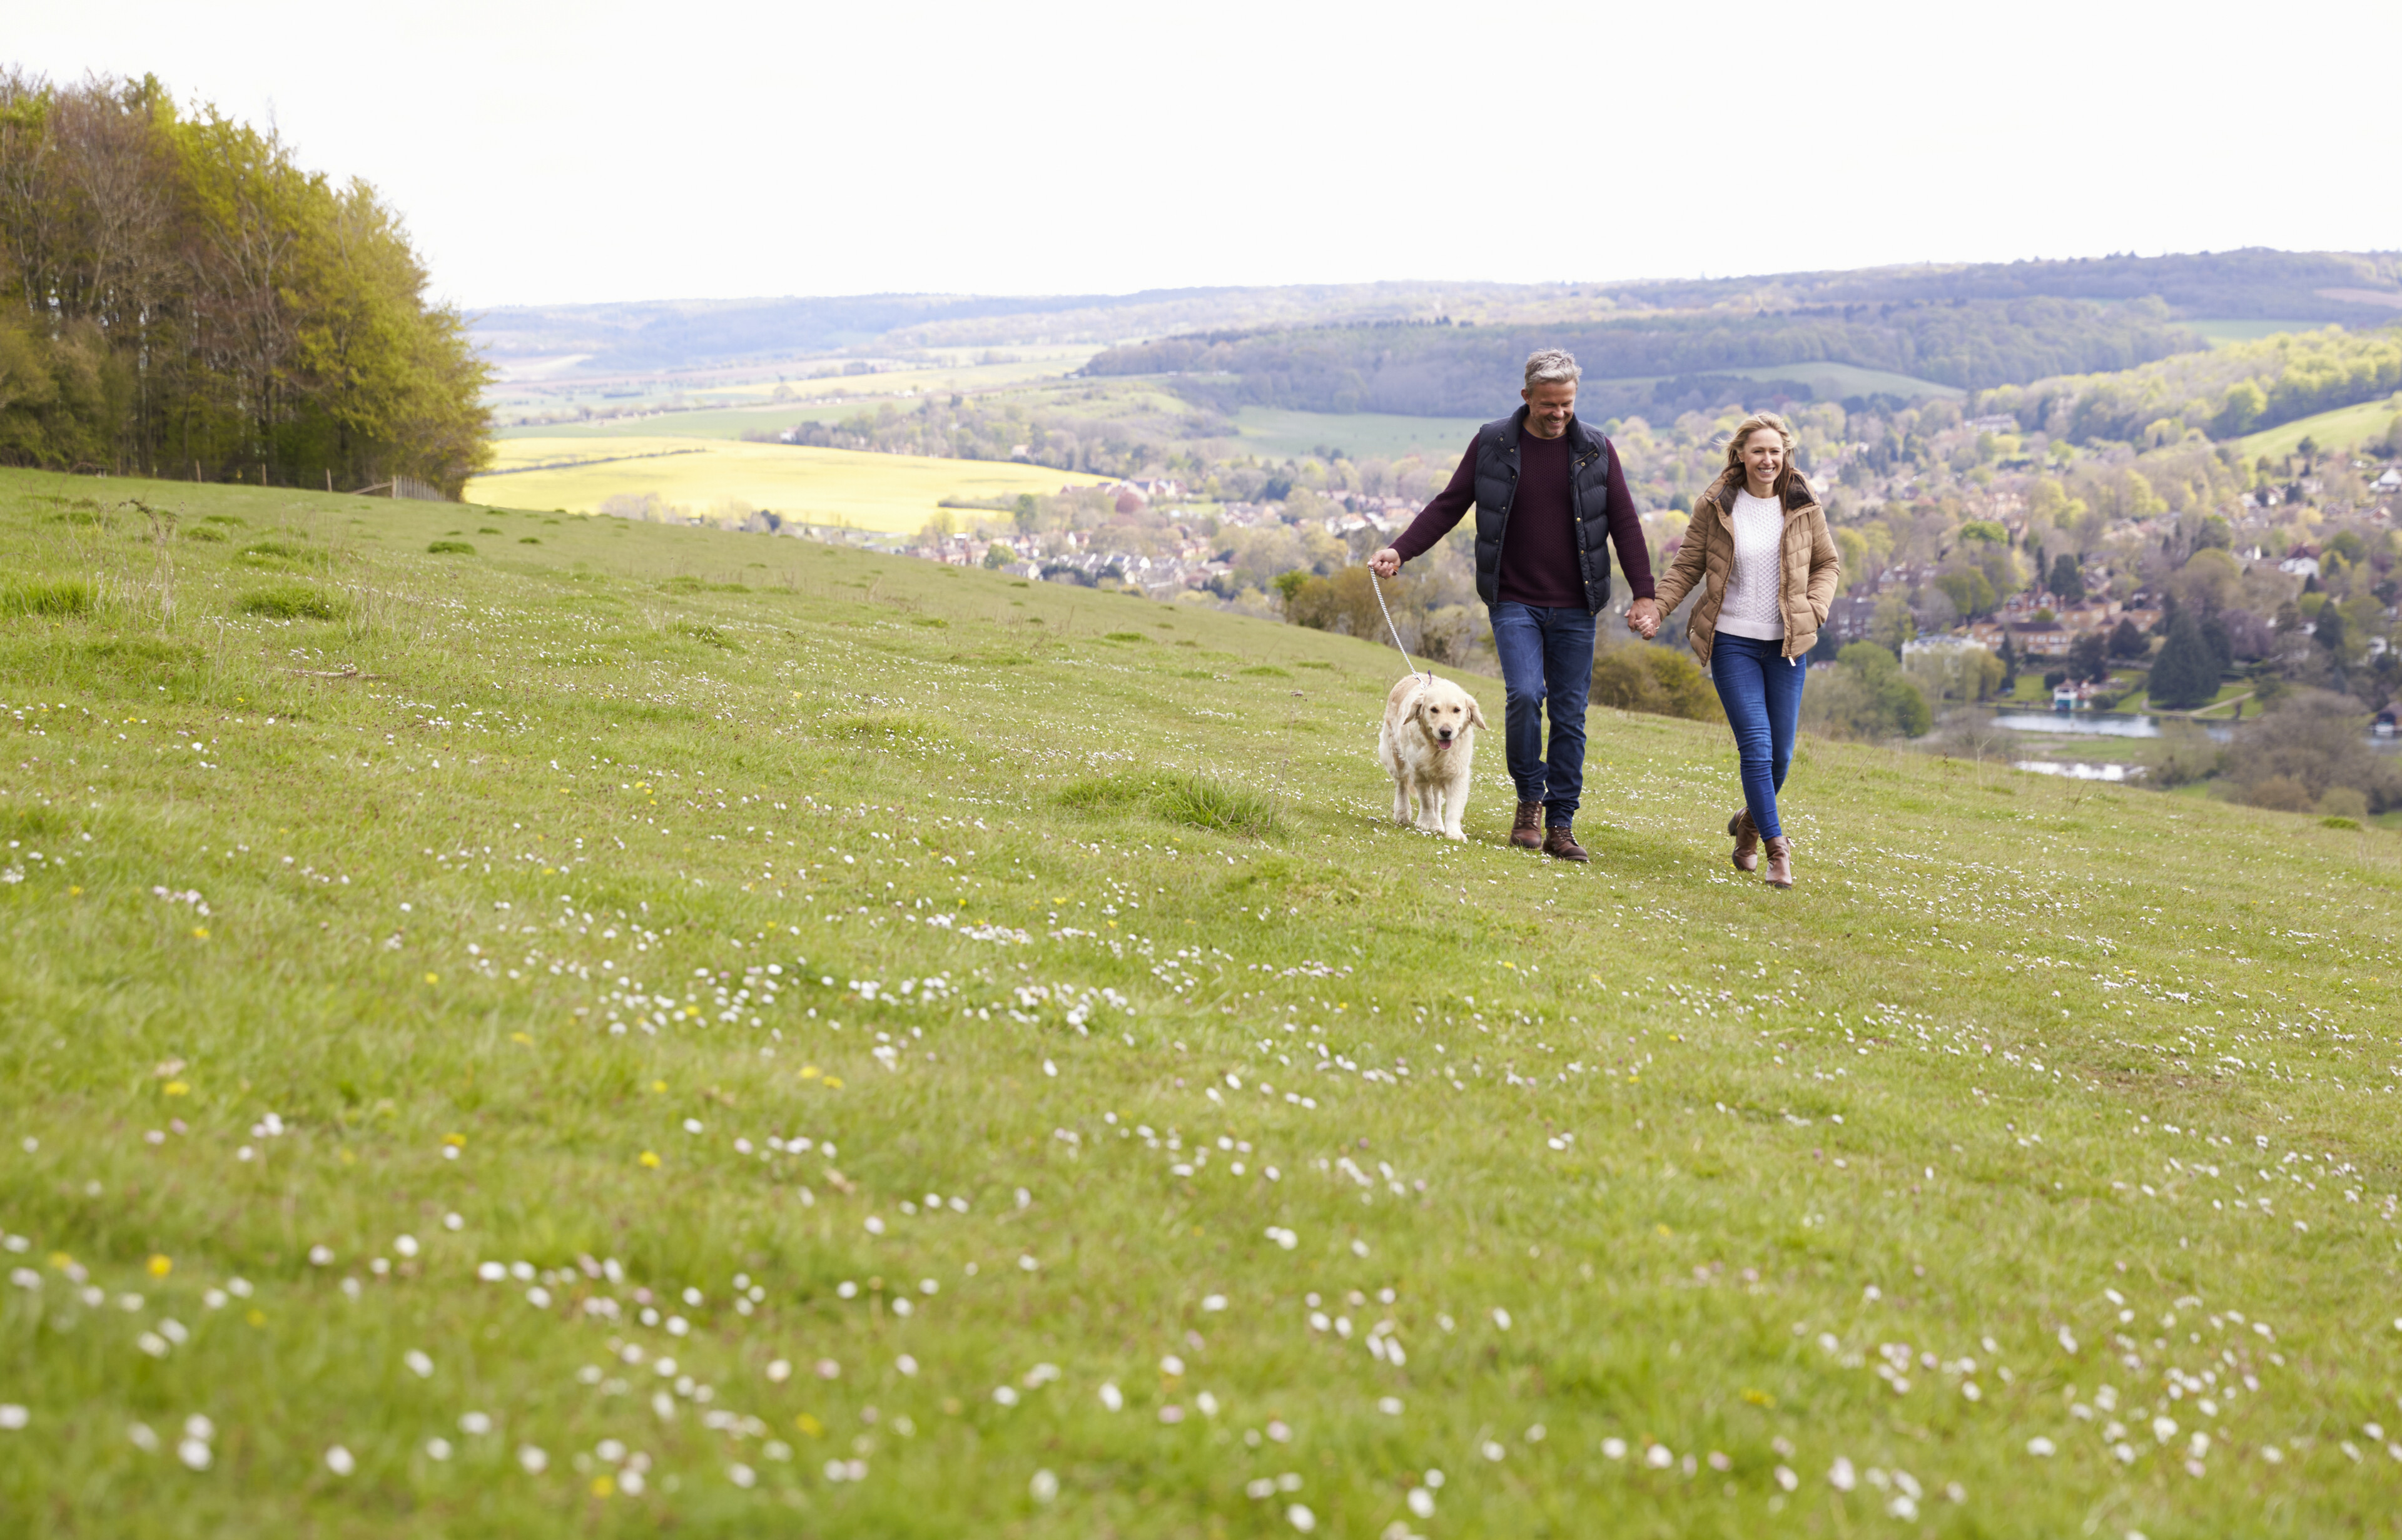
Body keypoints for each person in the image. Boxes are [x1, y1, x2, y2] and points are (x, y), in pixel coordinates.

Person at [1369, 349, 1658, 861]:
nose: (1559, 413)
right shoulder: (1493, 444)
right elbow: (1449, 503)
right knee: (1525, 695)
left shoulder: (1596, 449)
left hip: (1577, 604)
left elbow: (1625, 522)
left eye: (1567, 403)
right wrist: (1400, 549)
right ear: (1526, 397)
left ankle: (1561, 824)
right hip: (1514, 599)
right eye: (1549, 404)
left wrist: (1645, 595)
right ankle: (1529, 803)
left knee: (1569, 714)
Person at [1642, 411, 1841, 888]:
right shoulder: (1715, 505)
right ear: (1740, 456)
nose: (1767, 460)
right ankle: (1778, 851)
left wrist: (1815, 609)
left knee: (1782, 757)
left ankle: (1749, 827)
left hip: (1787, 644)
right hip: (1733, 641)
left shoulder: (1803, 503)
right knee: (1756, 746)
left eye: (1775, 451)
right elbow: (1688, 565)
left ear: (1784, 455)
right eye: (1758, 451)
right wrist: (1658, 609)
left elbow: (1827, 564)